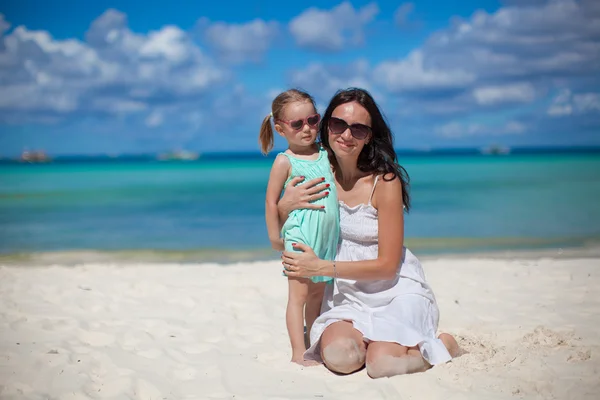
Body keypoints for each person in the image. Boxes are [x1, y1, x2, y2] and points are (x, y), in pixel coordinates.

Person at [278, 88, 460, 378]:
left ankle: (444, 345)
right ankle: (372, 343)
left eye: (359, 129)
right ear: (326, 125)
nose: (346, 135)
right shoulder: (316, 173)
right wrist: (284, 205)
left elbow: (388, 266)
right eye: (338, 124)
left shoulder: (385, 182)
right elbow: (283, 233)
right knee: (340, 357)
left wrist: (322, 267)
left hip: (394, 291)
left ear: (370, 136)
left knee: (381, 365)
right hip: (347, 296)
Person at [259, 88, 340, 365]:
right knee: (299, 295)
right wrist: (274, 237)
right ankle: (297, 353)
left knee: (317, 293)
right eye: (297, 124)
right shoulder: (285, 161)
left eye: (312, 120)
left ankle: (313, 344)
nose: (307, 129)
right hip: (300, 236)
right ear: (281, 129)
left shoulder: (325, 154)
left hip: (327, 239)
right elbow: (271, 202)